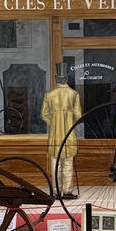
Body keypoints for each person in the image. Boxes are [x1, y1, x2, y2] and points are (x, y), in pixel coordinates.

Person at [41, 62, 81, 199]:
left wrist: (54, 122)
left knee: (54, 162)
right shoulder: (74, 94)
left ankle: (56, 191)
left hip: (54, 135)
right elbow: (78, 116)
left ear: (56, 78)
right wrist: (69, 121)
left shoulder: (49, 95)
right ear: (67, 78)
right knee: (68, 162)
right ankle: (68, 191)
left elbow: (44, 114)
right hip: (69, 134)